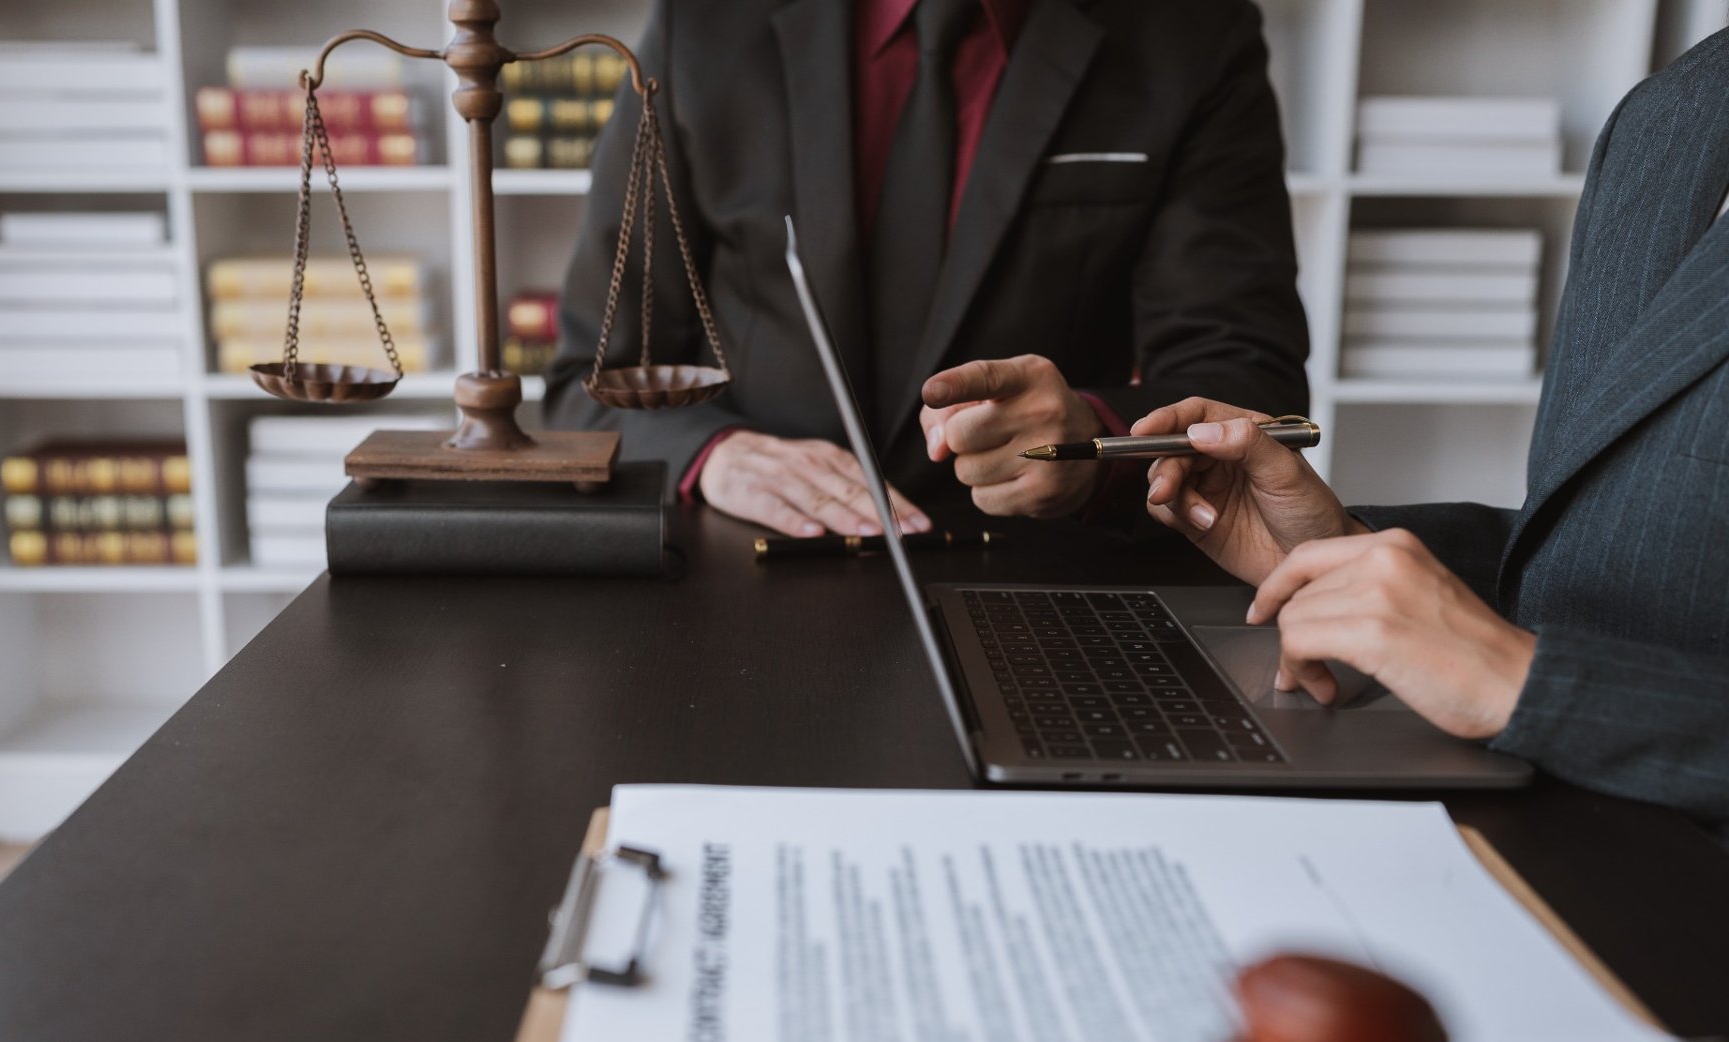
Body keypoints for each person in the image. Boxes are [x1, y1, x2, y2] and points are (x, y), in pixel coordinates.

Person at [1109, 29, 1729, 836]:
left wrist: (1531, 684)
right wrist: (1344, 548)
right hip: (1537, 828)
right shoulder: (1677, 110)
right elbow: (1620, 563)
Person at [545, 0, 1309, 537]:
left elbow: (1250, 382)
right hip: (745, 566)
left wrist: (1097, 446)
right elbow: (589, 379)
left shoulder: (1194, 33)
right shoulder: (704, 23)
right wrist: (713, 454)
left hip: (1039, 583)